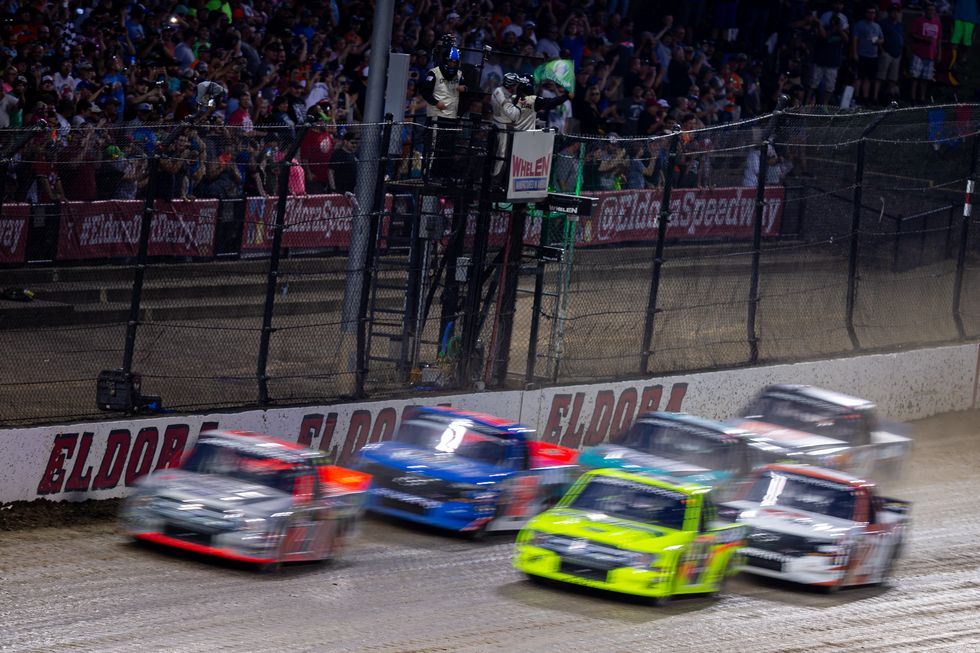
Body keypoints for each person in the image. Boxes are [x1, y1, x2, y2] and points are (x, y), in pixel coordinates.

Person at [419, 38, 464, 180]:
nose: (452, 64)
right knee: (433, 147)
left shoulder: (459, 75)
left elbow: (466, 89)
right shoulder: (434, 73)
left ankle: (443, 175)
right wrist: (435, 102)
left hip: (451, 117)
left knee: (447, 149)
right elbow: (425, 91)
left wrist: (464, 88)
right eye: (450, 61)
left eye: (455, 62)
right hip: (436, 116)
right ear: (445, 61)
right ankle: (429, 174)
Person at [851, 6, 884, 104]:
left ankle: (865, 98)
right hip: (862, 54)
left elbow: (882, 39)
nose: (871, 14)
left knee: (868, 78)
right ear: (866, 13)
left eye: (873, 12)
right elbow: (855, 39)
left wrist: (878, 41)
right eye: (869, 12)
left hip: (873, 56)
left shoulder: (877, 26)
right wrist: (854, 53)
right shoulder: (859, 24)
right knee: (859, 77)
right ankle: (856, 96)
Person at [875, 3, 905, 104]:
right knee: (880, 77)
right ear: (888, 12)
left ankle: (890, 99)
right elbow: (877, 37)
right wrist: (882, 50)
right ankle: (875, 98)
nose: (895, 13)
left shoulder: (899, 25)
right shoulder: (883, 23)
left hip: (897, 55)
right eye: (892, 11)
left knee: (892, 79)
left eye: (896, 11)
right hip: (886, 53)